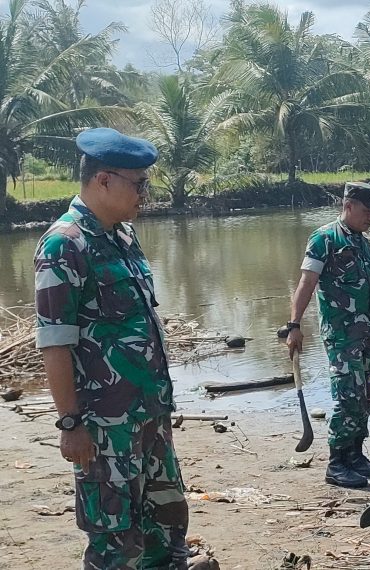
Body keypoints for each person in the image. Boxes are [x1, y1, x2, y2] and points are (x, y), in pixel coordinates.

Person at [34, 128, 191, 568]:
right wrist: (70, 423)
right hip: (103, 428)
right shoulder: (64, 245)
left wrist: (159, 412)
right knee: (114, 540)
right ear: (103, 180)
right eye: (138, 184)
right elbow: (54, 343)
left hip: (148, 415)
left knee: (167, 524)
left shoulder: (122, 237)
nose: (145, 193)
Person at [285, 182, 370, 488]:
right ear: (349, 205)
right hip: (342, 336)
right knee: (347, 397)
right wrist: (294, 325)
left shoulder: (365, 244)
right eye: (366, 210)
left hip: (367, 335)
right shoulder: (324, 238)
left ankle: (355, 455)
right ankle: (336, 462)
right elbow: (306, 283)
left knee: (367, 394)